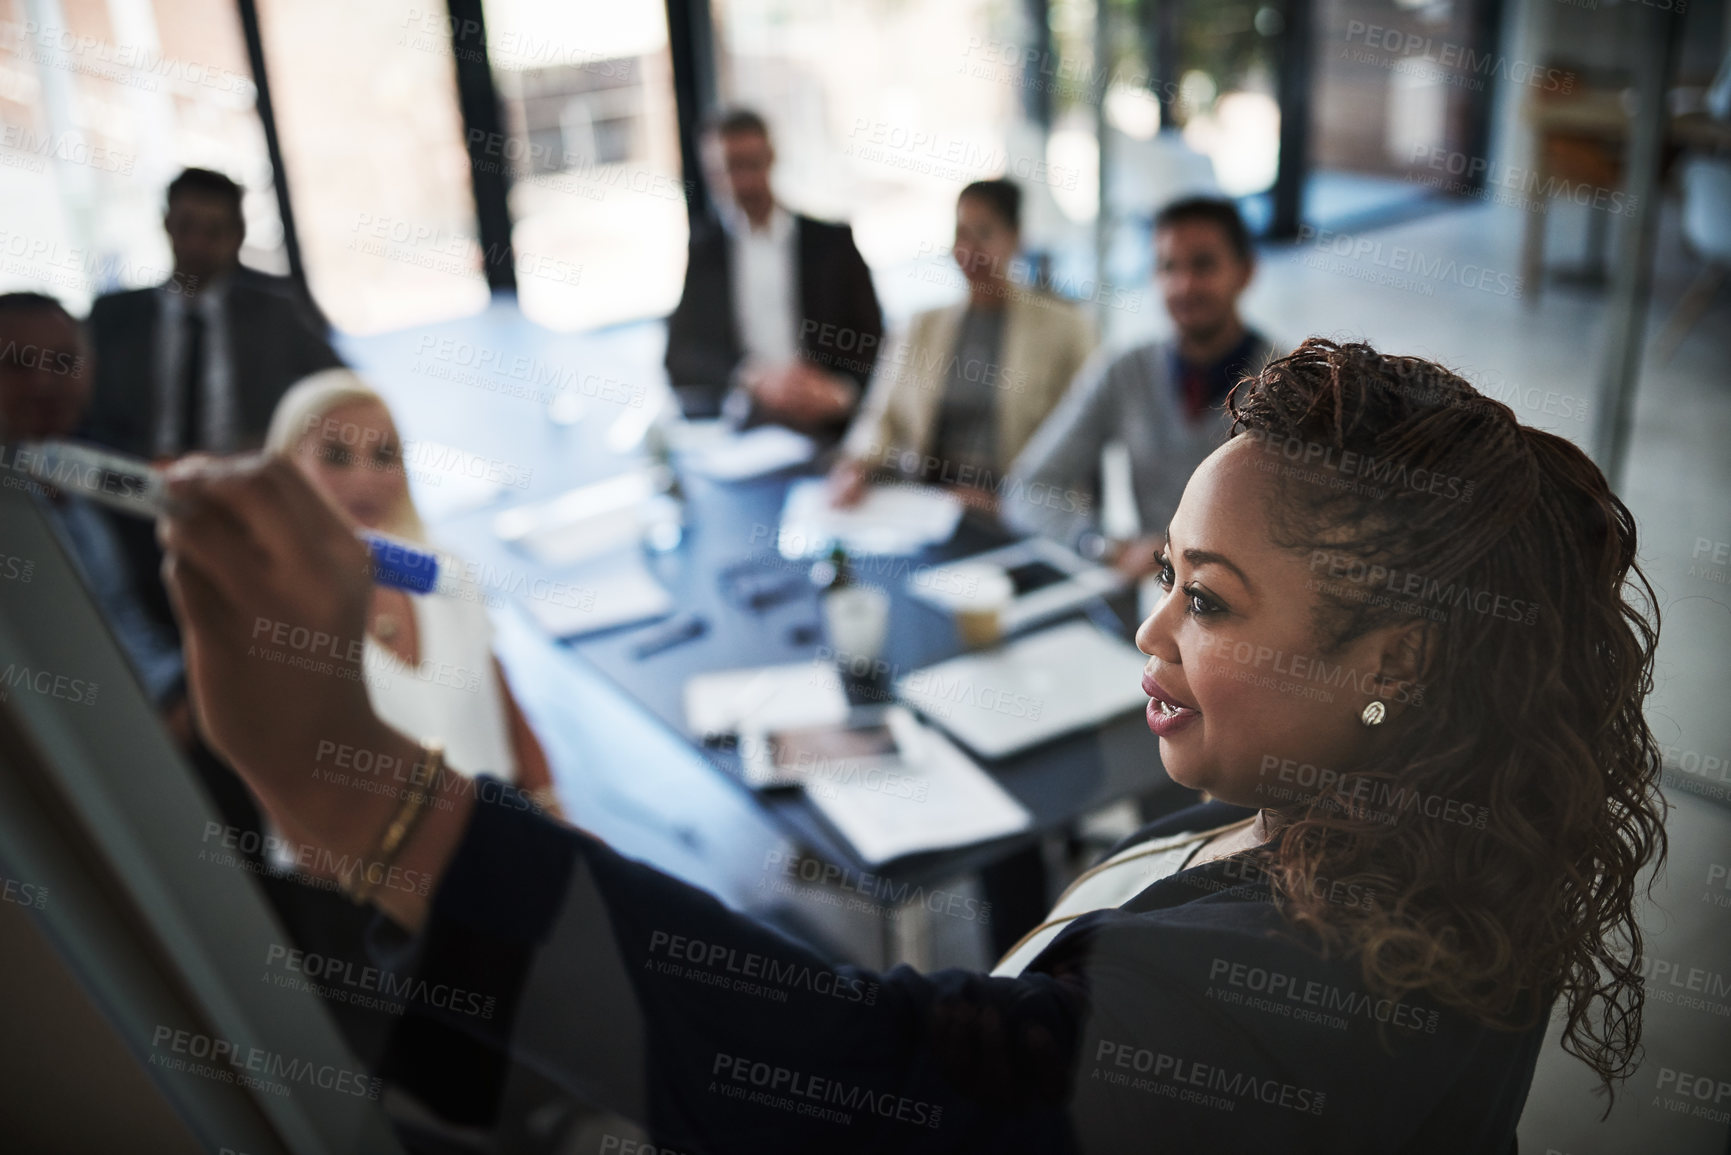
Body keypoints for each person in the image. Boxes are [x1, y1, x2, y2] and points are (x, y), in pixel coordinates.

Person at [159, 339, 1665, 1152]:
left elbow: (859, 1078)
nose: (1148, 634)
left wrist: (358, 787)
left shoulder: (1278, 1008)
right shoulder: (1448, 836)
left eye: (1203, 598)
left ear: (1388, 657)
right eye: (1160, 578)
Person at [263, 369, 558, 811]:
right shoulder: (274, 622)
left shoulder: (445, 573)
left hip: (505, 830)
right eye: (337, 457)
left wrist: (552, 811)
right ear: (286, 472)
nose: (365, 478)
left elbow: (505, 705)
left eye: (384, 455)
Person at [1005, 197, 1273, 578]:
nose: (1183, 285)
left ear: (1245, 272)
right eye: (1168, 267)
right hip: (1153, 596)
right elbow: (1027, 489)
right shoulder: (1125, 370)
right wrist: (1097, 542)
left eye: (1203, 265)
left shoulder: (1288, 385)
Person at [830, 179, 1096, 516]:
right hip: (929, 503)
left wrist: (1007, 503)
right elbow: (881, 416)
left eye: (983, 233)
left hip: (1015, 507)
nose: (968, 250)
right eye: (961, 234)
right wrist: (855, 466)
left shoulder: (1065, 328)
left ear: (1015, 238)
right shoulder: (921, 325)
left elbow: (1079, 442)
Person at [0, 292, 185, 722]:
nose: (44, 383)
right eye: (16, 366)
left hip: (185, 691)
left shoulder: (113, 468)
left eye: (63, 363)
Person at [84, 167, 343, 460]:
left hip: (245, 479)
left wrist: (272, 446)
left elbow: (339, 390)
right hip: (138, 484)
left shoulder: (277, 313)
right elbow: (86, 418)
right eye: (186, 227)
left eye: (213, 231)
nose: (197, 244)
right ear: (168, 224)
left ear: (237, 235)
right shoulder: (114, 316)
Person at [664, 109, 884, 439]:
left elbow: (877, 343)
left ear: (771, 157)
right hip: (747, 425)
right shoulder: (705, 250)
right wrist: (750, 378)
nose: (743, 182)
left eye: (751, 164)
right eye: (728, 168)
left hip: (827, 423)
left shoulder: (831, 243)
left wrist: (843, 392)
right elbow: (682, 356)